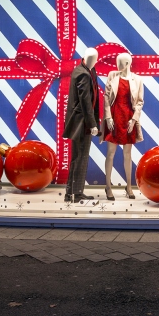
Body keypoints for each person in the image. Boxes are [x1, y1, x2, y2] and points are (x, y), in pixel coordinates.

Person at [101, 53, 144, 200]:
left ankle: (129, 186)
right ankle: (108, 186)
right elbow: (107, 97)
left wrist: (134, 119)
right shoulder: (112, 75)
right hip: (114, 116)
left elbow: (139, 102)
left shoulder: (137, 79)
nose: (117, 64)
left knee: (127, 154)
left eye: (119, 62)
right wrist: (108, 117)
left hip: (128, 118)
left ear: (127, 63)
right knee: (110, 153)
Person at [63, 48, 100, 203]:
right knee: (80, 157)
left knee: (79, 157)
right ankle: (74, 193)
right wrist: (92, 124)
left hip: (82, 121)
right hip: (81, 122)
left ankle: (73, 192)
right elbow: (85, 102)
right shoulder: (83, 73)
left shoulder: (88, 70)